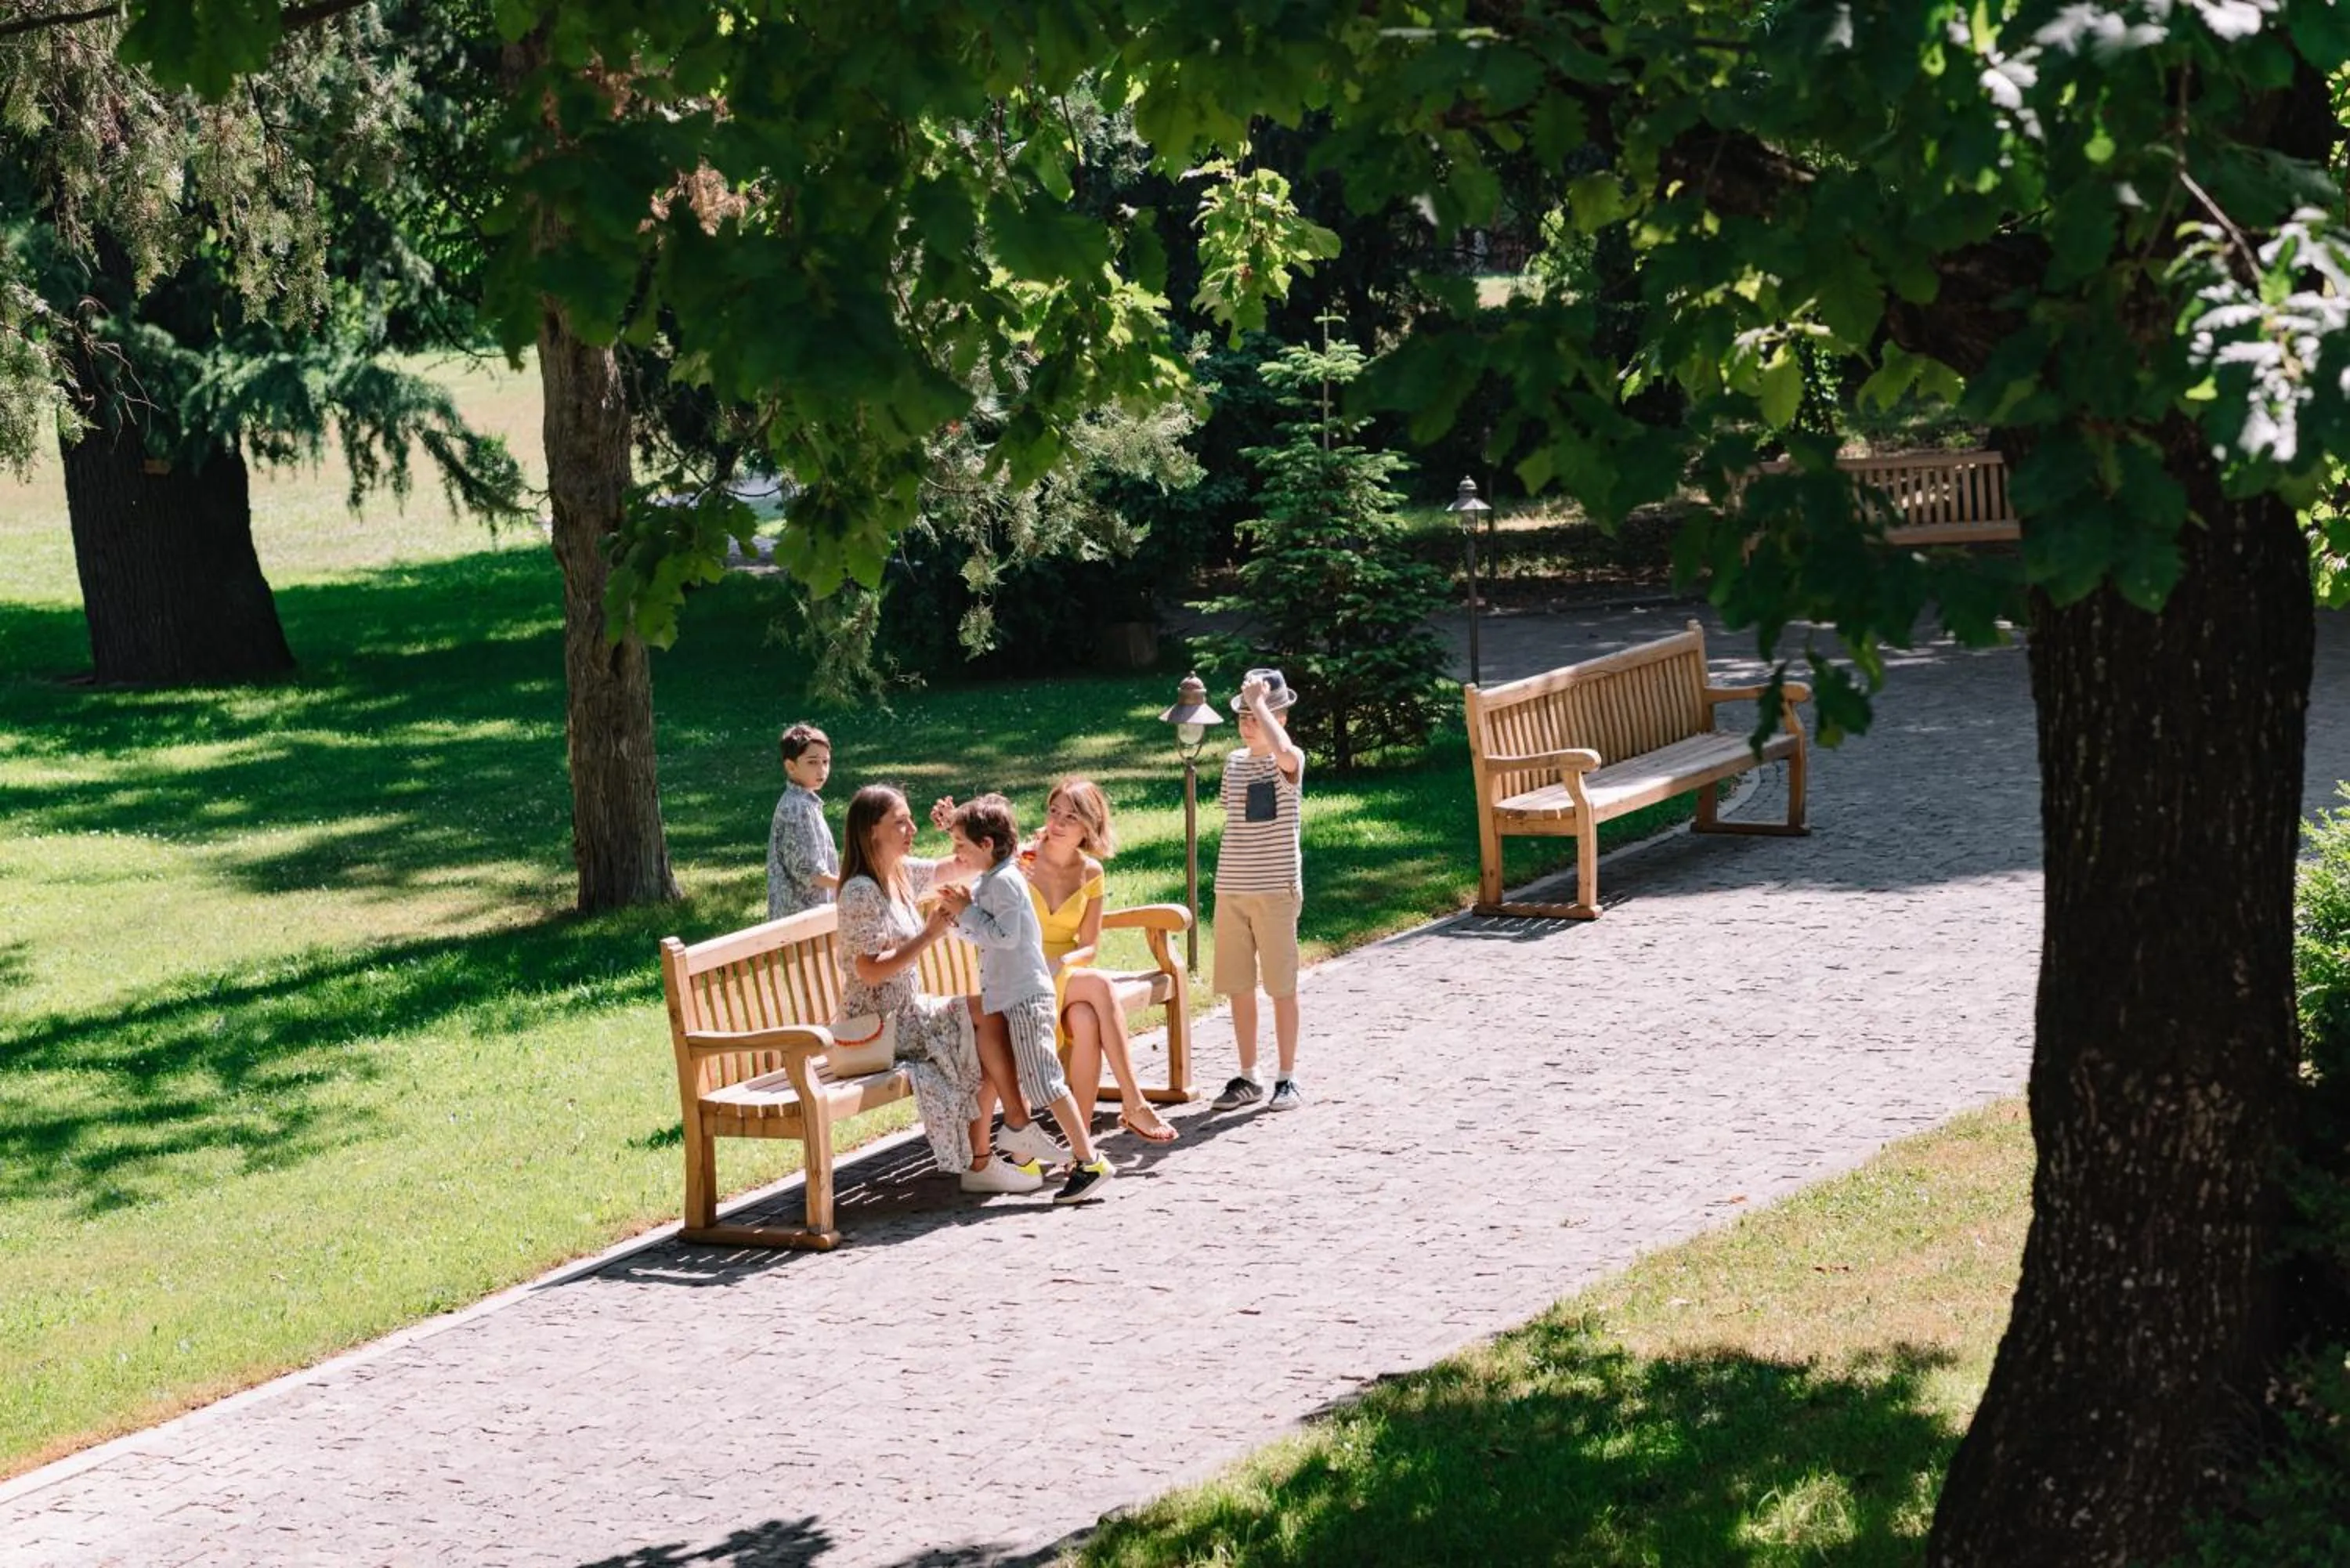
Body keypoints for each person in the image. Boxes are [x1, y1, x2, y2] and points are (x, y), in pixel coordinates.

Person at [832, 784, 1049, 1195]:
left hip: (910, 1012)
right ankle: (1009, 1137)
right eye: (900, 822)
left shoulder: (898, 872)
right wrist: (929, 935)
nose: (912, 829)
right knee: (986, 1020)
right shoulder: (860, 891)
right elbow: (869, 972)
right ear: (872, 830)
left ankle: (1000, 1147)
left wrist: (963, 828)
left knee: (991, 1019)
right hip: (879, 1026)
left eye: (911, 819)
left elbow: (962, 865)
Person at [939, 794, 1117, 1205]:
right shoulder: (990, 880)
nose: (957, 854)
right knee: (1034, 1078)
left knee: (1045, 1081)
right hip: (1008, 995)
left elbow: (1006, 936)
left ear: (987, 844)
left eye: (962, 845)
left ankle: (1089, 1161)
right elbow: (983, 933)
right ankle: (1025, 1142)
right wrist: (956, 919)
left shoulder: (1004, 881)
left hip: (1026, 996)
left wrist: (967, 912)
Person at [1021, 779, 1178, 1143]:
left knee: (1086, 1018)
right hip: (1021, 969)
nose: (1058, 823)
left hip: (1062, 970)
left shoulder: (1091, 872)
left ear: (1089, 826)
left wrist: (1060, 962)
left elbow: (1090, 946)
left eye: (1071, 817)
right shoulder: (1024, 859)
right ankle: (1133, 1102)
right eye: (1054, 812)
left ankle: (1081, 1144)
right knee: (1101, 986)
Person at [1209, 668, 1308, 1113]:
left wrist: (1261, 704)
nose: (1249, 724)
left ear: (1280, 717)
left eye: (1259, 716)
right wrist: (1257, 705)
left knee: (1281, 985)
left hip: (1275, 890)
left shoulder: (1290, 758)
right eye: (1244, 716)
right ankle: (1249, 1074)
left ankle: (1287, 1077)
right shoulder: (1233, 763)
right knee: (1239, 986)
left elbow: (1283, 753)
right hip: (1232, 888)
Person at [766, 722, 837, 919]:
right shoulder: (797, 808)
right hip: (801, 920)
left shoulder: (806, 804)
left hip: (811, 919)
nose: (822, 770)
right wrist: (849, 883)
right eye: (812, 762)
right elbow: (810, 872)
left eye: (826, 762)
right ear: (791, 766)